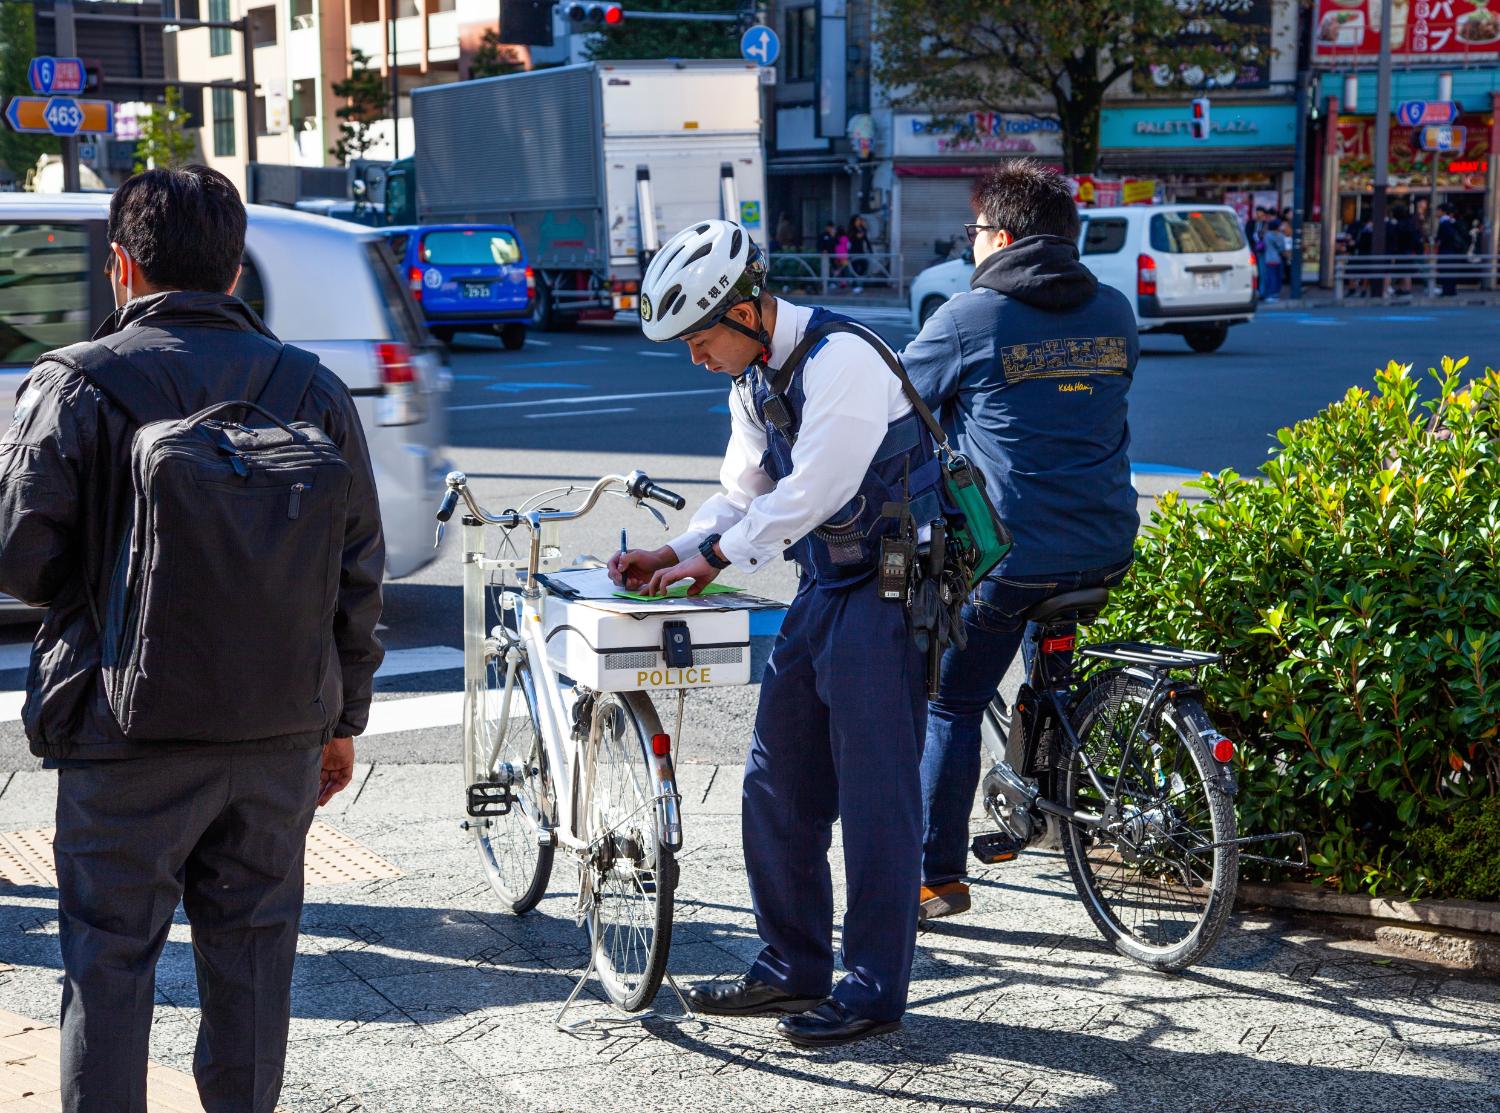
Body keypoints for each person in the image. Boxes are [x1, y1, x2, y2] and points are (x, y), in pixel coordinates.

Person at [0, 166, 385, 1111]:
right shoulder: (310, 386)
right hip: (278, 731)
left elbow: (20, 562)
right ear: (235, 270)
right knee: (253, 961)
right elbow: (357, 571)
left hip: (121, 729)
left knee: (108, 960)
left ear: (122, 266)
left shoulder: (75, 383)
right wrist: (341, 721)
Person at [617, 219, 938, 1046]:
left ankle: (873, 987)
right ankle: (792, 964)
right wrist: (678, 550)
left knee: (875, 796)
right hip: (826, 582)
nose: (696, 357)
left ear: (747, 309)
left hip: (890, 589)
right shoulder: (754, 379)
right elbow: (744, 492)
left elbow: (815, 490)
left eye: (700, 338)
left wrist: (714, 558)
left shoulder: (844, 359)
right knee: (776, 780)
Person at [897, 160, 1138, 923]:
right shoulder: (1116, 310)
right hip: (1105, 543)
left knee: (952, 702)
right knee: (1049, 658)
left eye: (973, 232)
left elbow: (895, 404)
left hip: (1008, 558)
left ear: (1000, 238)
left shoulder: (968, 318)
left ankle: (936, 880)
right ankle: (1045, 793)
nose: (969, 244)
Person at [1435, 202, 1468, 296]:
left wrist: (1439, 240)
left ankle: (1447, 290)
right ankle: (1450, 290)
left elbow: (1446, 236)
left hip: (1447, 250)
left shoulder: (1445, 222)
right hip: (1453, 250)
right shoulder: (1452, 222)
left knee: (1446, 270)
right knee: (1451, 270)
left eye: (1438, 210)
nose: (1436, 213)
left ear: (1442, 211)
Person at [1260, 219, 1287, 302]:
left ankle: (1272, 294)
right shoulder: (1281, 235)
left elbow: (1264, 244)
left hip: (1269, 259)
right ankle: (1276, 293)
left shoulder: (1267, 235)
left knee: (1271, 277)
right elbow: (1282, 248)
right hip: (1278, 259)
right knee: (1278, 277)